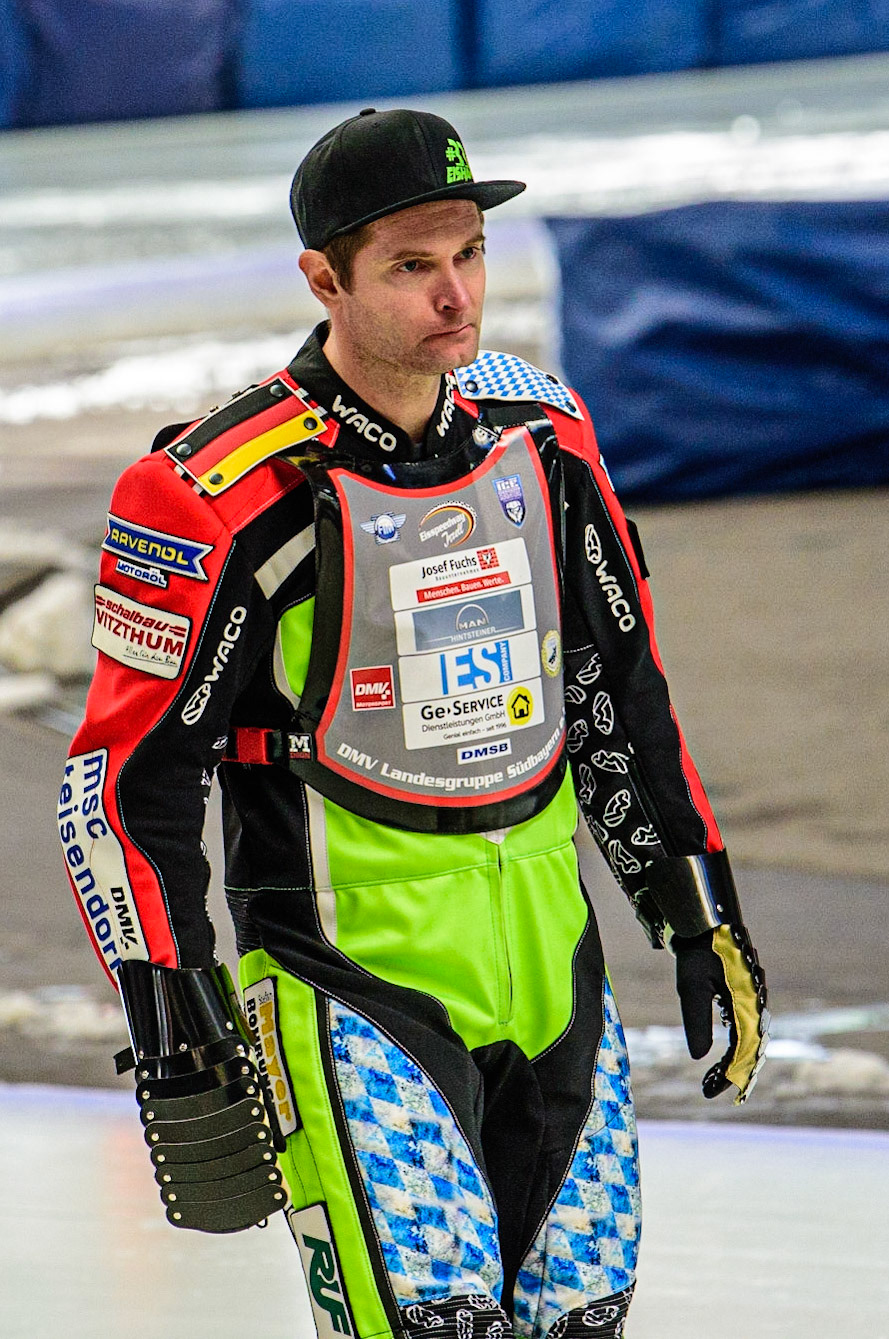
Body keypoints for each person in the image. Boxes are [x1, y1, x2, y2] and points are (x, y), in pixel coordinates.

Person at [58, 108, 768, 1339]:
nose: (456, 296)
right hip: (351, 982)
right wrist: (172, 1010)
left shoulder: (542, 436)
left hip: (556, 969)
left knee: (578, 1324)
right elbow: (123, 782)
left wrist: (695, 911)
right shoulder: (212, 492)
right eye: (411, 265)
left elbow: (618, 689)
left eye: (470, 254)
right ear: (323, 278)